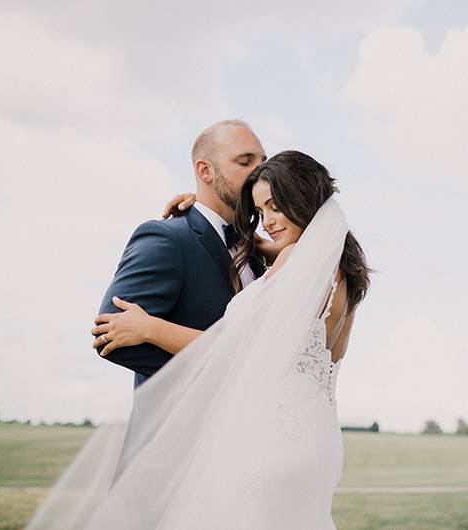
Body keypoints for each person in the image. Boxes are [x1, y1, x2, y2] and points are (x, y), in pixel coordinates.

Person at [28, 150, 369, 529]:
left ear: (304, 199)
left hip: (271, 443)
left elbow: (234, 352)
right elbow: (264, 248)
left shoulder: (293, 259)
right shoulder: (344, 270)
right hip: (315, 442)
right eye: (261, 211)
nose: (267, 222)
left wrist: (149, 328)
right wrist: (202, 215)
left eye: (275, 207)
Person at [93, 119, 271, 388]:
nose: (260, 173)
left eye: (263, 162)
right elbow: (109, 337)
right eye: (245, 162)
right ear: (205, 171)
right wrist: (225, 386)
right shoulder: (167, 239)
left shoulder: (258, 249)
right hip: (182, 426)